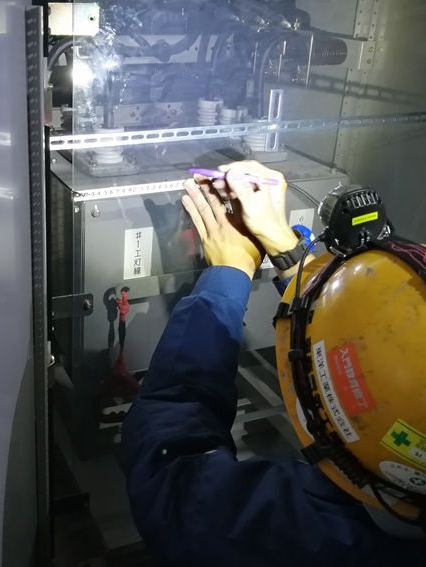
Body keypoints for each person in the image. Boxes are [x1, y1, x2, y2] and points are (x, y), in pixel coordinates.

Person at [121, 161, 426, 566]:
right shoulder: (402, 495)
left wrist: (228, 272)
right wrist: (291, 254)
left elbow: (174, 477)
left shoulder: (311, 538)